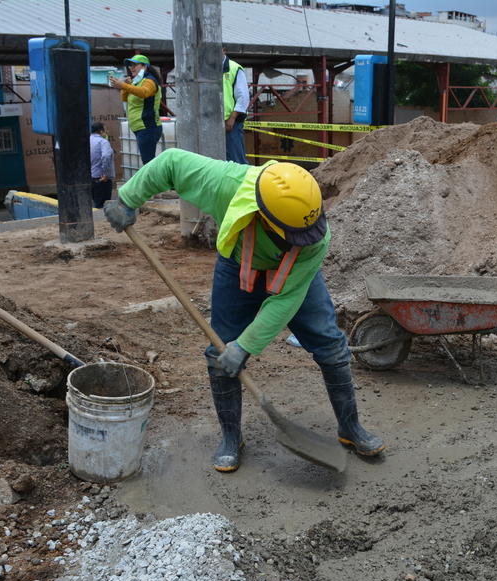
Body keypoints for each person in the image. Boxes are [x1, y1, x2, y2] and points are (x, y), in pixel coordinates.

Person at [103, 149, 385, 472]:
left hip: (292, 280)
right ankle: (230, 437)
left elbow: (284, 301)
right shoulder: (227, 184)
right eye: (293, 236)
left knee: (331, 345)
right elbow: (171, 164)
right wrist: (128, 198)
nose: (303, 241)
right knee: (220, 351)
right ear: (265, 216)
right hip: (238, 269)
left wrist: (247, 345)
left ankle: (350, 428)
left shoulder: (314, 235)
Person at [110, 54, 163, 165]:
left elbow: (144, 92)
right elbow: (124, 98)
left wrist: (123, 85)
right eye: (130, 65)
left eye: (134, 65)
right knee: (147, 161)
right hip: (140, 127)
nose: (131, 68)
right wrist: (125, 85)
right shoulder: (137, 82)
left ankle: (154, 182)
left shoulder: (149, 81)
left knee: (148, 162)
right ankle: (152, 181)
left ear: (144, 66)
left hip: (148, 126)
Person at [223, 48, 250, 164]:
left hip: (231, 122)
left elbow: (243, 97)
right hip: (213, 122)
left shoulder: (234, 68)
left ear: (223, 49)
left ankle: (243, 180)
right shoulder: (206, 67)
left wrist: (232, 118)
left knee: (236, 159)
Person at [89, 122, 115, 209]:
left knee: (96, 203)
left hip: (91, 178)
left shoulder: (87, 140)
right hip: (102, 179)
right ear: (101, 131)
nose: (107, 131)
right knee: (104, 206)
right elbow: (106, 156)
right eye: (105, 129)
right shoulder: (103, 142)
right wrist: (106, 174)